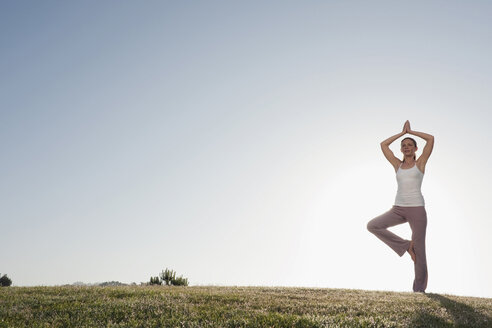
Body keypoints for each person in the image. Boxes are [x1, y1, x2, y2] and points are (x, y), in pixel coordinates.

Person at [367, 120, 434, 293]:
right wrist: (402, 133)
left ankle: (419, 290)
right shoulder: (398, 165)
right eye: (403, 145)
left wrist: (411, 131)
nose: (406, 147)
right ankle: (406, 246)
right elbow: (383, 145)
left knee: (420, 251)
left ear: (415, 149)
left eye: (410, 145)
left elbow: (431, 139)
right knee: (373, 225)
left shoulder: (420, 164)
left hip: (417, 209)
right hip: (398, 208)